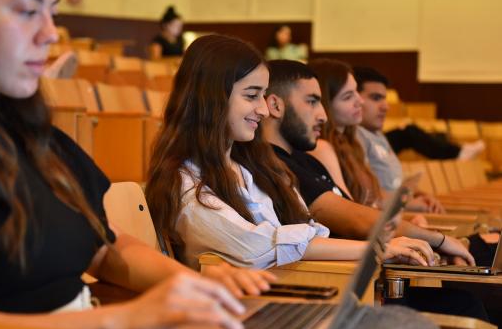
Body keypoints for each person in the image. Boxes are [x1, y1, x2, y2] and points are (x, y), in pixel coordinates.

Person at [0, 0, 279, 329]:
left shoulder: (35, 138)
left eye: (53, 13)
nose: (49, 33)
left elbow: (104, 246)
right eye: (28, 11)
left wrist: (191, 284)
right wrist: (120, 320)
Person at [261, 59, 502, 329]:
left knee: (472, 292)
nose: (323, 115)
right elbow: (354, 218)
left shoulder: (307, 158)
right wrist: (437, 238)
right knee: (466, 303)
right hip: (349, 288)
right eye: (313, 102)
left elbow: (359, 213)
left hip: (370, 271)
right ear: (275, 105)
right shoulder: (276, 163)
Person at [145, 35, 439, 272]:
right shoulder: (185, 182)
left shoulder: (244, 168)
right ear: (211, 99)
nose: (263, 109)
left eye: (262, 95)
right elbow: (256, 245)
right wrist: (376, 247)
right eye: (252, 95)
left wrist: (390, 245)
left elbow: (307, 232)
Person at [308, 59, 443, 213]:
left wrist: (415, 205)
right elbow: (354, 212)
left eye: (357, 93)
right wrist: (409, 220)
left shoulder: (350, 143)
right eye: (348, 96)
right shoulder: (323, 148)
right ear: (325, 104)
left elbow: (369, 199)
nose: (360, 101)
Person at [354, 66, 484, 196]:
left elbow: (393, 182)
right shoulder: (356, 138)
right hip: (386, 213)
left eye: (384, 99)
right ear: (354, 99)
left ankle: (457, 152)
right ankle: (457, 152)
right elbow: (370, 197)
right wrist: (410, 203)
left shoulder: (376, 135)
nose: (386, 107)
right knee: (409, 132)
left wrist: (419, 194)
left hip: (399, 208)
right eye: (376, 98)